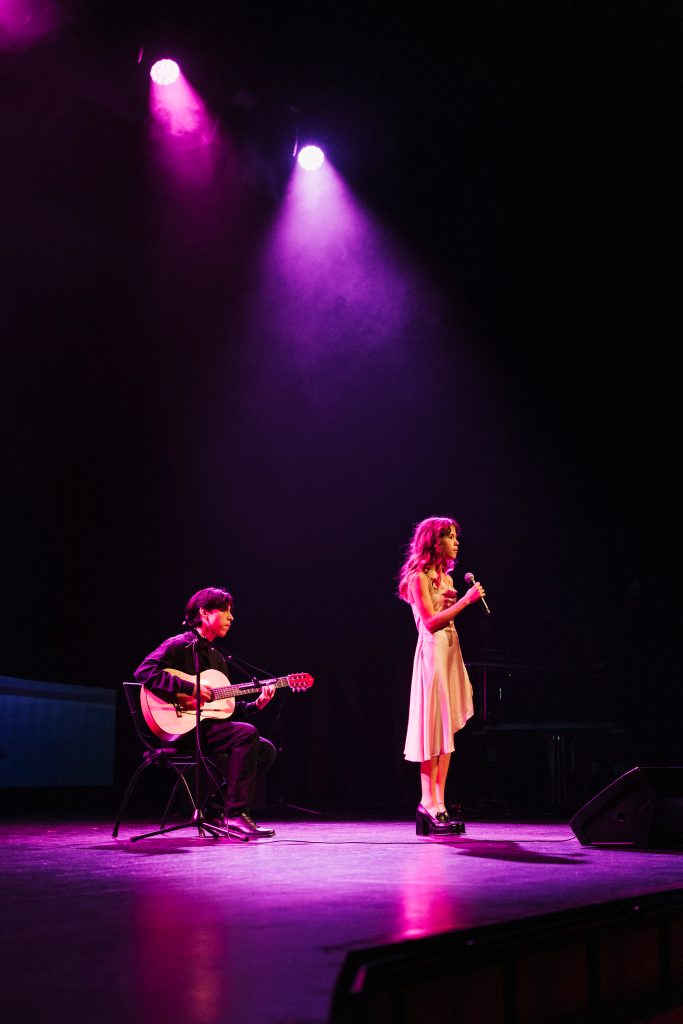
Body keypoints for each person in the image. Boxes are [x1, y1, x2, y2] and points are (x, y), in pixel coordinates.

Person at [134, 586, 277, 838]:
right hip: (179, 730)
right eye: (225, 611)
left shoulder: (218, 658)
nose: (231, 617)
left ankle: (215, 809)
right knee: (246, 735)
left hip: (207, 730)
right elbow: (144, 672)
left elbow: (222, 711)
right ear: (204, 612)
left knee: (266, 749)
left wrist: (256, 705)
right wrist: (190, 687)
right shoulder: (179, 645)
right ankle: (235, 815)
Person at [398, 517, 485, 836]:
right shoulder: (417, 577)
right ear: (434, 542)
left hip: (450, 652)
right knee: (433, 729)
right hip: (433, 654)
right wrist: (465, 601)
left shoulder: (446, 578)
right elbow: (431, 622)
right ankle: (427, 802)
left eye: (456, 537)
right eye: (450, 537)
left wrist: (460, 600)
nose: (456, 542)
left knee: (446, 731)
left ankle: (439, 803)